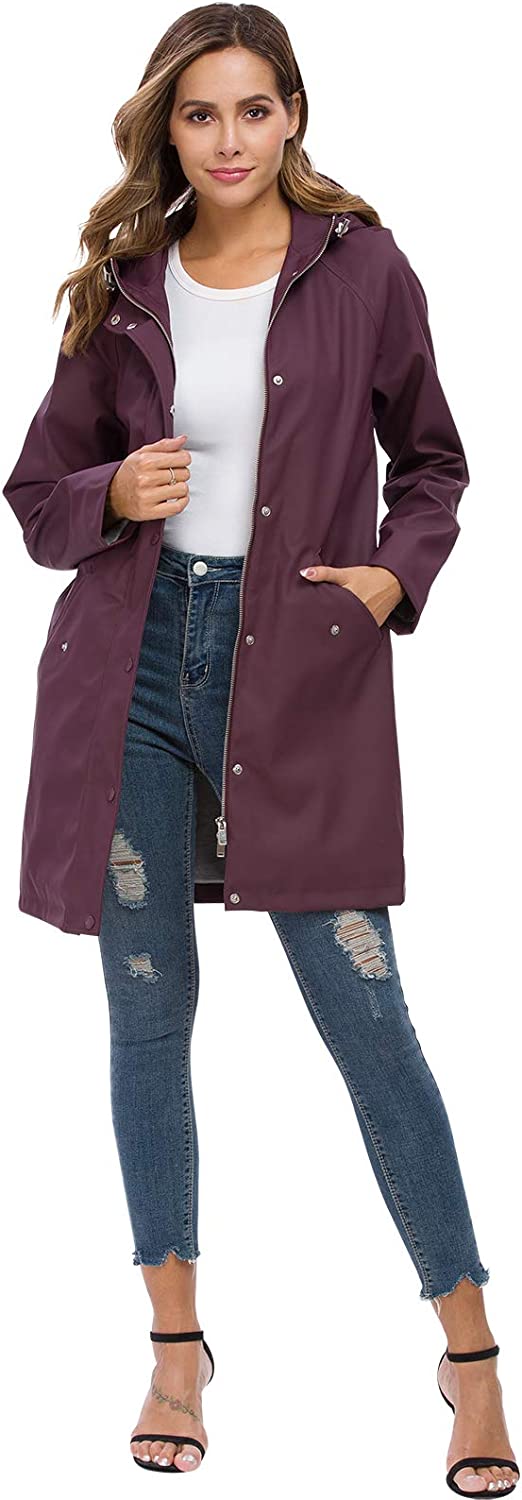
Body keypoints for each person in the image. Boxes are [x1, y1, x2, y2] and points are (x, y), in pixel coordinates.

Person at [3, 5, 519, 1492]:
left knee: (370, 1022)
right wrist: (114, 491)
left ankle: (471, 1360)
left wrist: (389, 581)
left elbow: (434, 462)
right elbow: (37, 494)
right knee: (146, 1012)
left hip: (300, 672)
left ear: (292, 114)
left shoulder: (365, 269)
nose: (226, 140)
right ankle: (175, 1348)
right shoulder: (126, 286)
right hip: (136, 669)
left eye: (251, 109)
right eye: (197, 115)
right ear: (165, 130)